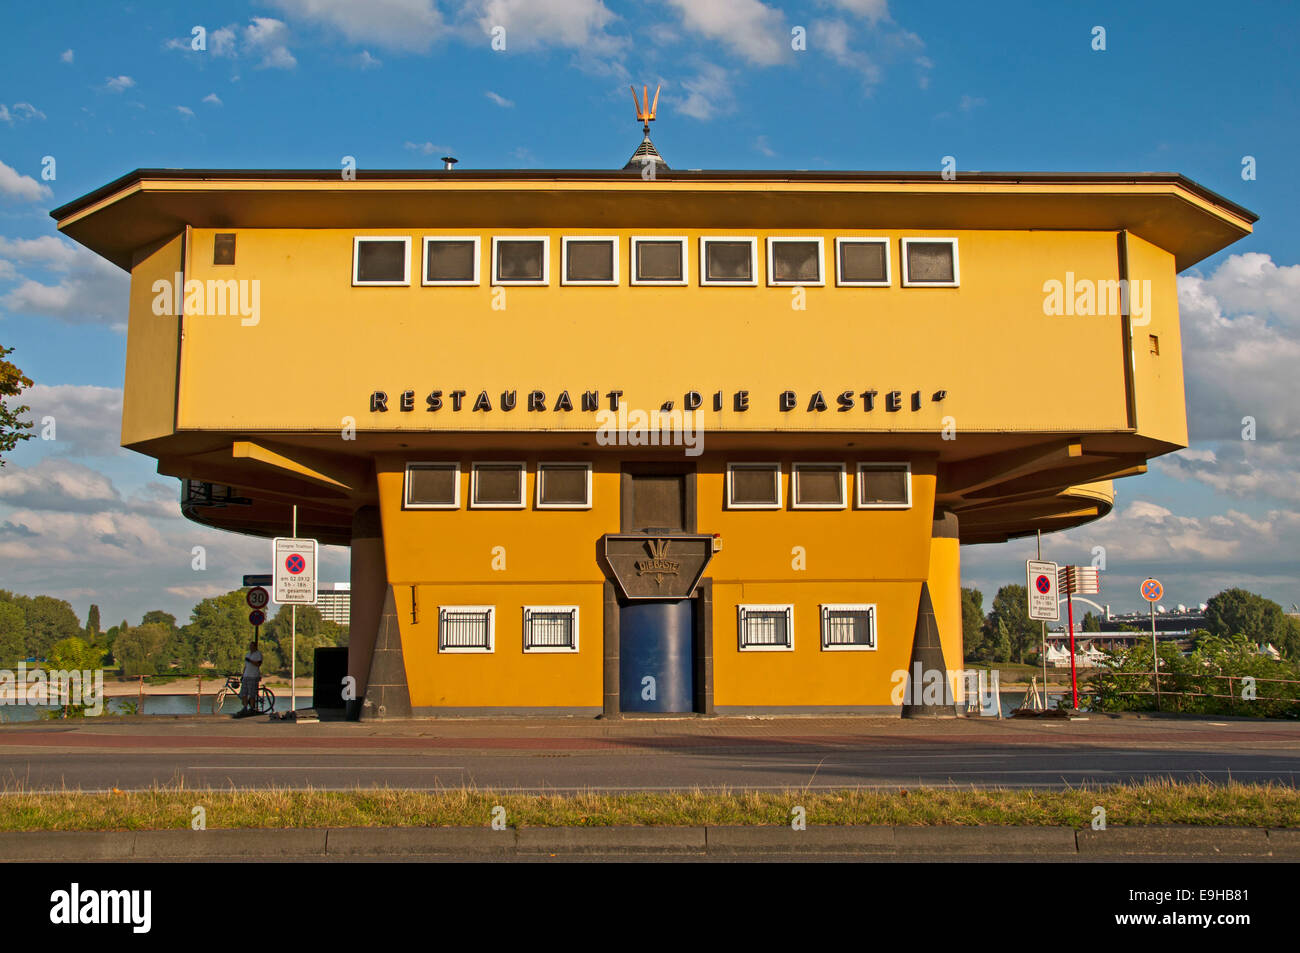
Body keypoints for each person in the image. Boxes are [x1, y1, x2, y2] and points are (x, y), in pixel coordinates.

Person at [239, 641, 263, 714]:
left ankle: (252, 708)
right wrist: (243, 675)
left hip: (253, 676)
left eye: (252, 646)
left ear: (255, 647)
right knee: (243, 693)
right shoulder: (248, 654)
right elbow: (246, 666)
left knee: (252, 693)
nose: (251, 647)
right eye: (250, 646)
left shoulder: (258, 654)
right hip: (246, 675)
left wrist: (250, 661)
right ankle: (245, 707)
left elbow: (258, 664)